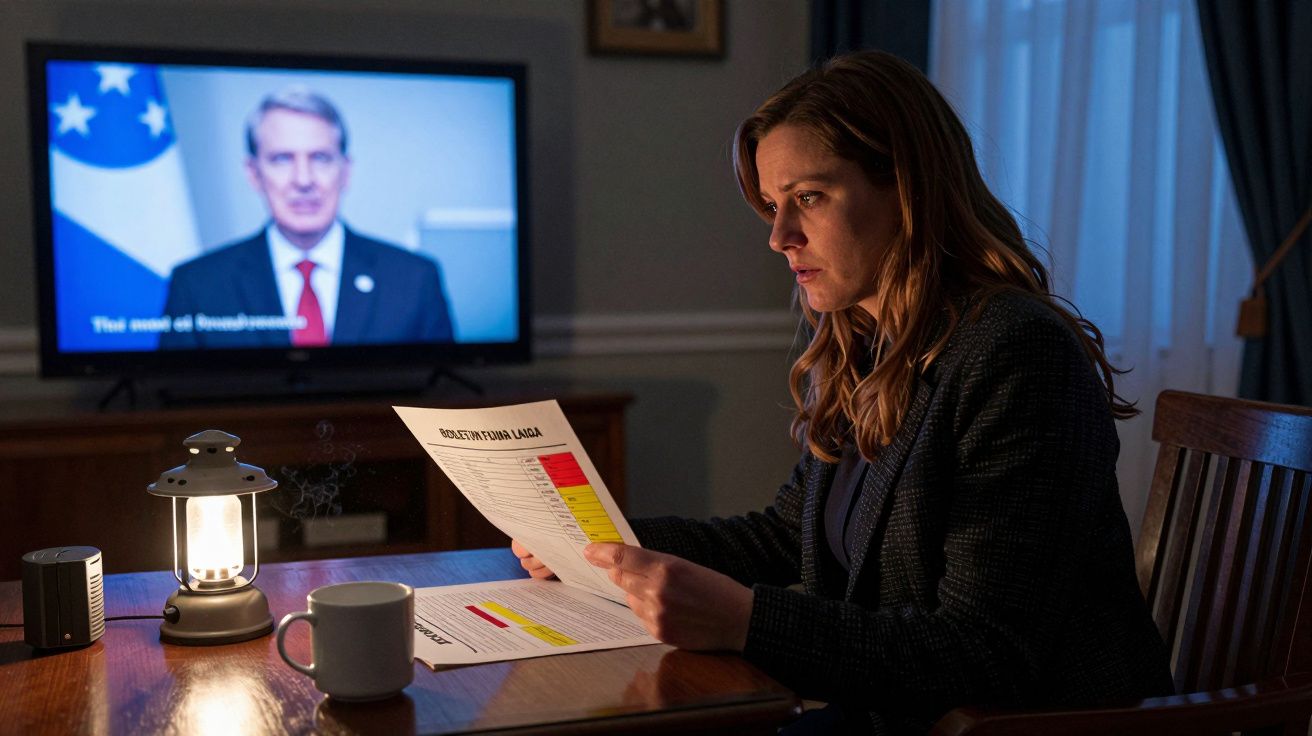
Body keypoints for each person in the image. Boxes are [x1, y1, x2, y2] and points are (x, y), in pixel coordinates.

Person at [512, 51, 1174, 733]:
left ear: (907, 190)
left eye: (810, 198)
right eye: (773, 206)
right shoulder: (869, 342)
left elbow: (986, 652)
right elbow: (783, 535)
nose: (779, 237)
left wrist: (747, 621)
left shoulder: (1015, 353)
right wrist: (606, 550)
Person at [160, 86, 453, 349]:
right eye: (282, 159)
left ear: (345, 171)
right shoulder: (197, 285)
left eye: (320, 158)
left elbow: (438, 399)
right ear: (253, 174)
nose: (303, 180)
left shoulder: (414, 280)